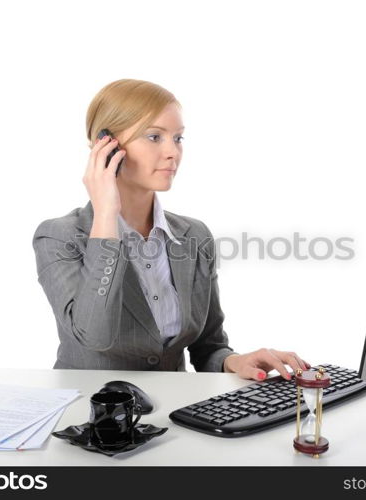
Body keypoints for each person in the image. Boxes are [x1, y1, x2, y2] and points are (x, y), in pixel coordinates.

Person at [32, 79, 310, 381]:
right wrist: (106, 215)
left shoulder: (194, 235)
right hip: (89, 414)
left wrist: (234, 362)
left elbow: (208, 347)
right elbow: (95, 335)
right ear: (107, 146)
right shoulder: (59, 237)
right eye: (154, 137)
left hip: (170, 418)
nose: (172, 153)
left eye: (178, 138)